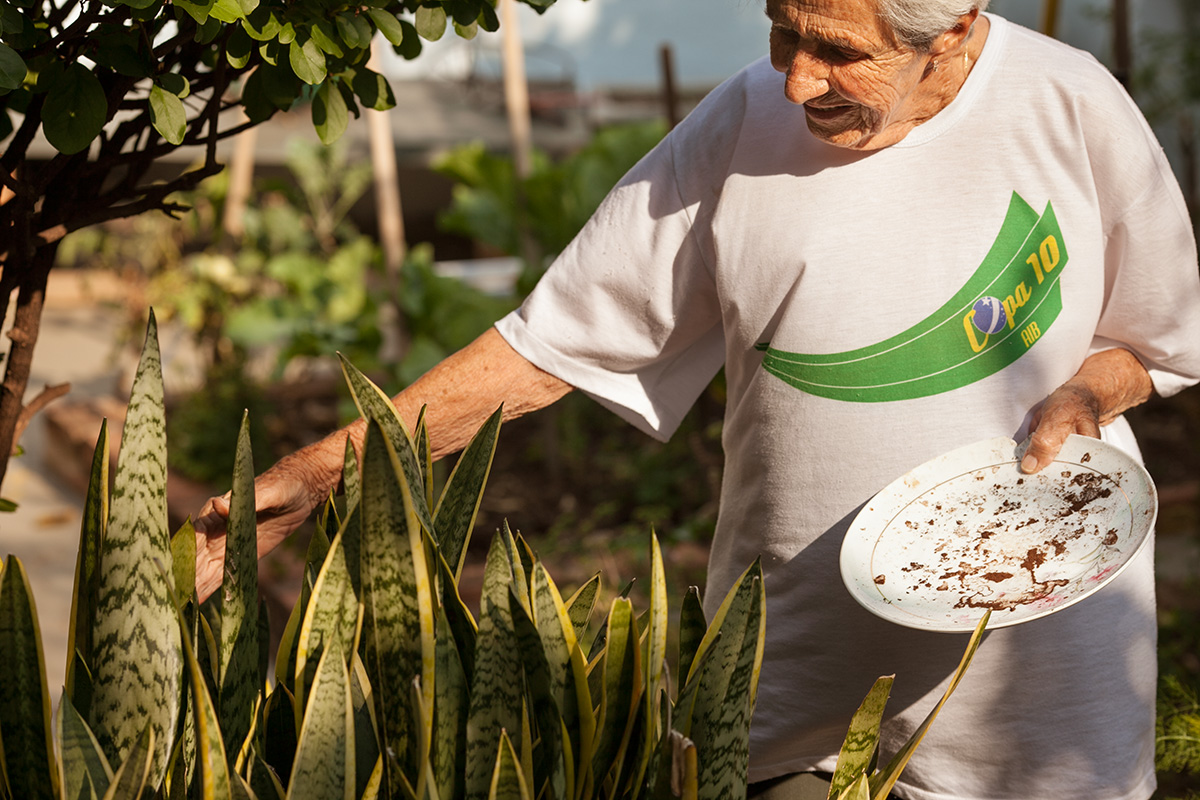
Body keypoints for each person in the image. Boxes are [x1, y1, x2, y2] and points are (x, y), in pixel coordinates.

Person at [195, 0, 1200, 797]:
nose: (796, 76)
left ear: (958, 31)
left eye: (838, 50)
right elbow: (550, 345)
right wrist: (321, 471)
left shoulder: (1073, 104)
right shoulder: (742, 124)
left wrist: (1083, 392)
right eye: (782, 29)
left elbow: (1161, 340)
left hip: (1030, 626)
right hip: (792, 634)